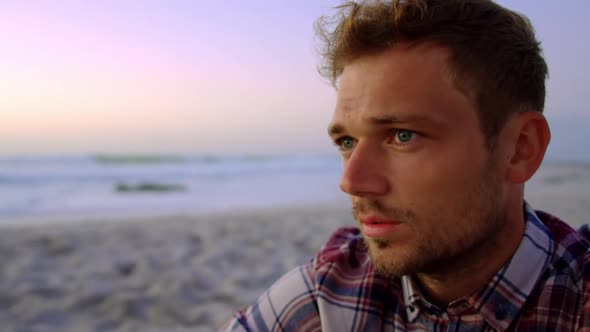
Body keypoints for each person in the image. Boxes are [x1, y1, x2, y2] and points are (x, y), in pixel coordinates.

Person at [221, 0, 590, 331]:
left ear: (519, 149)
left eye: (402, 136)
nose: (352, 181)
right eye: (347, 142)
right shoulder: (329, 296)